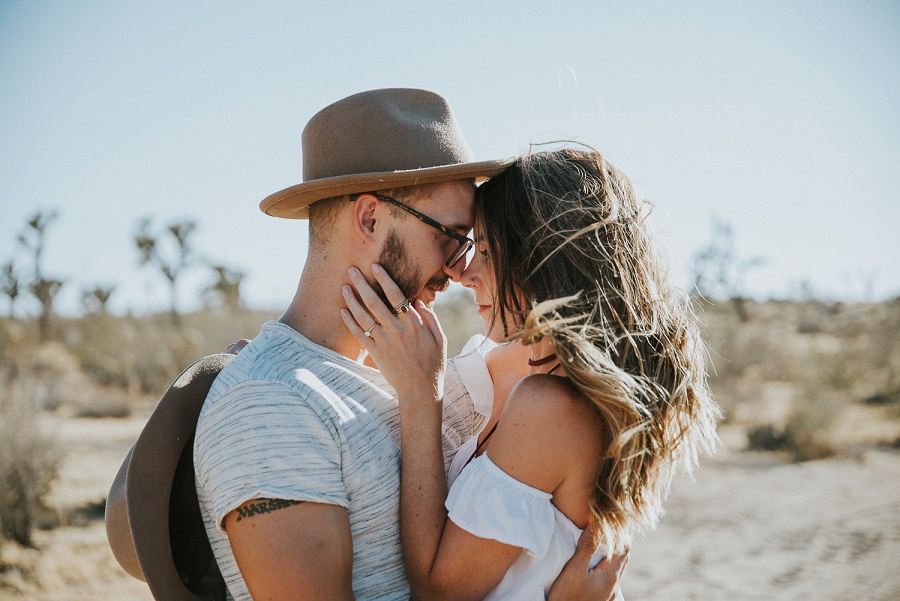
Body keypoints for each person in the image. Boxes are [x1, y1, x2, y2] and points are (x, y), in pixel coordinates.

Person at [193, 89, 625, 601]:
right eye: (450, 235)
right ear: (371, 219)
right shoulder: (270, 404)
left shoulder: (403, 375)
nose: (457, 269)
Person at [341, 146, 721, 601]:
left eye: (483, 248)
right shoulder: (527, 367)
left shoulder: (550, 407)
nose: (463, 272)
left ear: (538, 260)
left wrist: (422, 396)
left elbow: (437, 589)